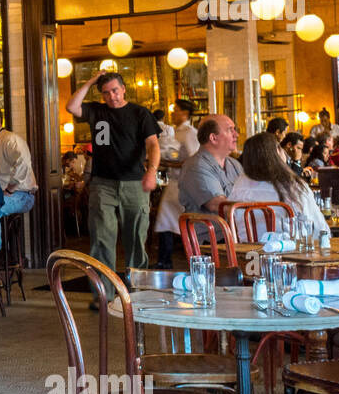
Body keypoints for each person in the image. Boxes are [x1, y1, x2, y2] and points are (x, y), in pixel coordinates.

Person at [65, 71, 160, 281]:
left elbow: (153, 144)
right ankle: (104, 295)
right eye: (106, 93)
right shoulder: (96, 111)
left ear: (124, 89)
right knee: (101, 240)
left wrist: (151, 171)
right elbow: (71, 106)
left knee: (135, 239)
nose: (111, 96)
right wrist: (90, 81)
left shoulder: (140, 113)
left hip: (135, 182)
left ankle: (136, 293)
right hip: (102, 184)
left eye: (115, 91)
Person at [229, 131, 328, 237]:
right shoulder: (293, 186)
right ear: (276, 152)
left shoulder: (239, 184)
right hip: (287, 249)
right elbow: (319, 228)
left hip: (246, 250)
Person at [152, 99, 200, 268]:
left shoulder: (189, 133)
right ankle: (164, 260)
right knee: (166, 221)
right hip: (173, 182)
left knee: (181, 223)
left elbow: (194, 159)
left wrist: (168, 164)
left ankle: (190, 259)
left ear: (185, 113)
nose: (173, 113)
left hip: (183, 184)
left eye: (176, 110)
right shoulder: (174, 132)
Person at [178, 115, 243, 217]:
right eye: (230, 130)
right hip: (213, 231)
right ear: (213, 138)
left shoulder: (234, 164)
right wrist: (254, 206)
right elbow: (217, 204)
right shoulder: (195, 166)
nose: (237, 135)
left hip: (236, 230)